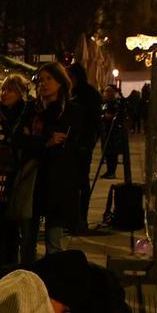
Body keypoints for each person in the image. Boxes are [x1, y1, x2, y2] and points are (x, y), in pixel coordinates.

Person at [11, 62, 81, 256]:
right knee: (27, 241)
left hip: (58, 180)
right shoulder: (31, 108)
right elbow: (18, 138)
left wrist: (33, 138)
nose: (44, 84)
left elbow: (68, 143)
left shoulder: (69, 110)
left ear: (60, 82)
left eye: (49, 79)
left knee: (54, 241)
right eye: (40, 80)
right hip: (33, 178)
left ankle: (53, 280)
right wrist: (44, 142)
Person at [0, 75, 30, 265]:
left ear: (21, 93)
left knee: (13, 234)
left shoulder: (25, 117)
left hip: (17, 183)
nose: (4, 94)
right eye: (3, 90)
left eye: (10, 90)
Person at [67, 63, 101, 233]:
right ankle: (74, 218)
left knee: (80, 182)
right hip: (74, 144)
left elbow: (93, 122)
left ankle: (80, 218)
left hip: (81, 144)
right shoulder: (72, 92)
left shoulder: (86, 95)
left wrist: (87, 142)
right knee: (74, 182)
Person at [99, 84, 128, 179]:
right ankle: (109, 170)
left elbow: (113, 116)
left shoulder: (114, 103)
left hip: (113, 132)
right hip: (106, 130)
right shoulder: (105, 103)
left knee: (112, 152)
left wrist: (105, 117)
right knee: (107, 152)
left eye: (107, 92)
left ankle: (112, 172)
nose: (105, 94)